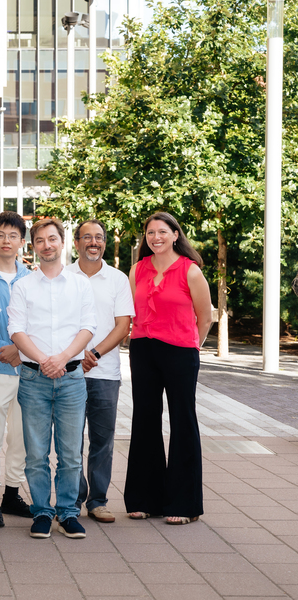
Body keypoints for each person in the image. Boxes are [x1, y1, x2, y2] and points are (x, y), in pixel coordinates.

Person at [7, 218, 97, 540]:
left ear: (62, 242)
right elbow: (15, 329)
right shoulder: (23, 286)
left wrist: (61, 358)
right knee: (36, 453)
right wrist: (45, 360)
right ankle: (42, 511)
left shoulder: (80, 284)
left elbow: (89, 326)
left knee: (71, 453)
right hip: (34, 379)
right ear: (34, 246)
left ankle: (69, 513)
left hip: (71, 378)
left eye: (52, 239)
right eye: (40, 240)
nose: (47, 245)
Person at [124, 212, 212, 525]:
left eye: (163, 232)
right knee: (145, 420)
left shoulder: (190, 271)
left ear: (176, 235)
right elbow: (129, 313)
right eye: (150, 233)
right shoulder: (137, 269)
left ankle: (184, 504)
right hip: (143, 349)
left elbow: (206, 316)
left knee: (182, 421)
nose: (156, 237)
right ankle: (144, 500)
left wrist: (190, 345)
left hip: (180, 352)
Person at [67, 219, 134, 524]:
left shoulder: (118, 279)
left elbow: (123, 326)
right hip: (69, 371)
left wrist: (94, 352)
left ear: (105, 243)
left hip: (105, 372)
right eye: (87, 237)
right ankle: (73, 498)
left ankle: (98, 500)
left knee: (102, 439)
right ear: (77, 242)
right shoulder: (63, 275)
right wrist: (74, 354)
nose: (93, 242)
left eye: (99, 238)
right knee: (69, 439)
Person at [0, 212, 32, 527]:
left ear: (21, 242)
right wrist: (6, 348)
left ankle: (12, 493)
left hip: (27, 370)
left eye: (13, 236)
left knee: (22, 437)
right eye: (0, 234)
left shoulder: (32, 278)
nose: (6, 241)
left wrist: (21, 350)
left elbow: (38, 323)